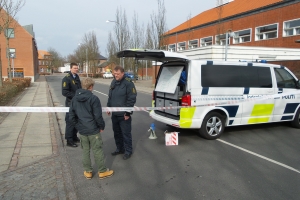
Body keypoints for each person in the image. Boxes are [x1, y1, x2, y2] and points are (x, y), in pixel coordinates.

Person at [69, 77, 114, 180]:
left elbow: (71, 116)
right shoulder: (94, 99)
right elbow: (97, 116)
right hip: (93, 129)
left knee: (85, 150)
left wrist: (78, 126)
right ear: (91, 86)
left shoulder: (74, 99)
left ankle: (88, 171)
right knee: (97, 150)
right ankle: (102, 171)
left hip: (82, 130)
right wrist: (101, 126)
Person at [107, 66, 137, 160]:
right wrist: (108, 107)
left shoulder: (128, 83)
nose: (116, 76)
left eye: (117, 74)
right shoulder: (113, 82)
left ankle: (128, 151)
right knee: (117, 133)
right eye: (114, 74)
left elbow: (131, 98)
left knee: (126, 134)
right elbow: (110, 96)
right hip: (115, 114)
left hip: (124, 115)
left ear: (122, 73)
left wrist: (128, 113)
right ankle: (119, 148)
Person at [62, 63, 82, 147]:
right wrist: (75, 97)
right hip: (71, 103)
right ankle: (69, 140)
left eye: (77, 68)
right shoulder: (66, 79)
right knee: (70, 121)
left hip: (77, 103)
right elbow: (65, 92)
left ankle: (74, 136)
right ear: (70, 69)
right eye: (74, 68)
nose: (76, 69)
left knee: (76, 120)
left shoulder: (77, 77)